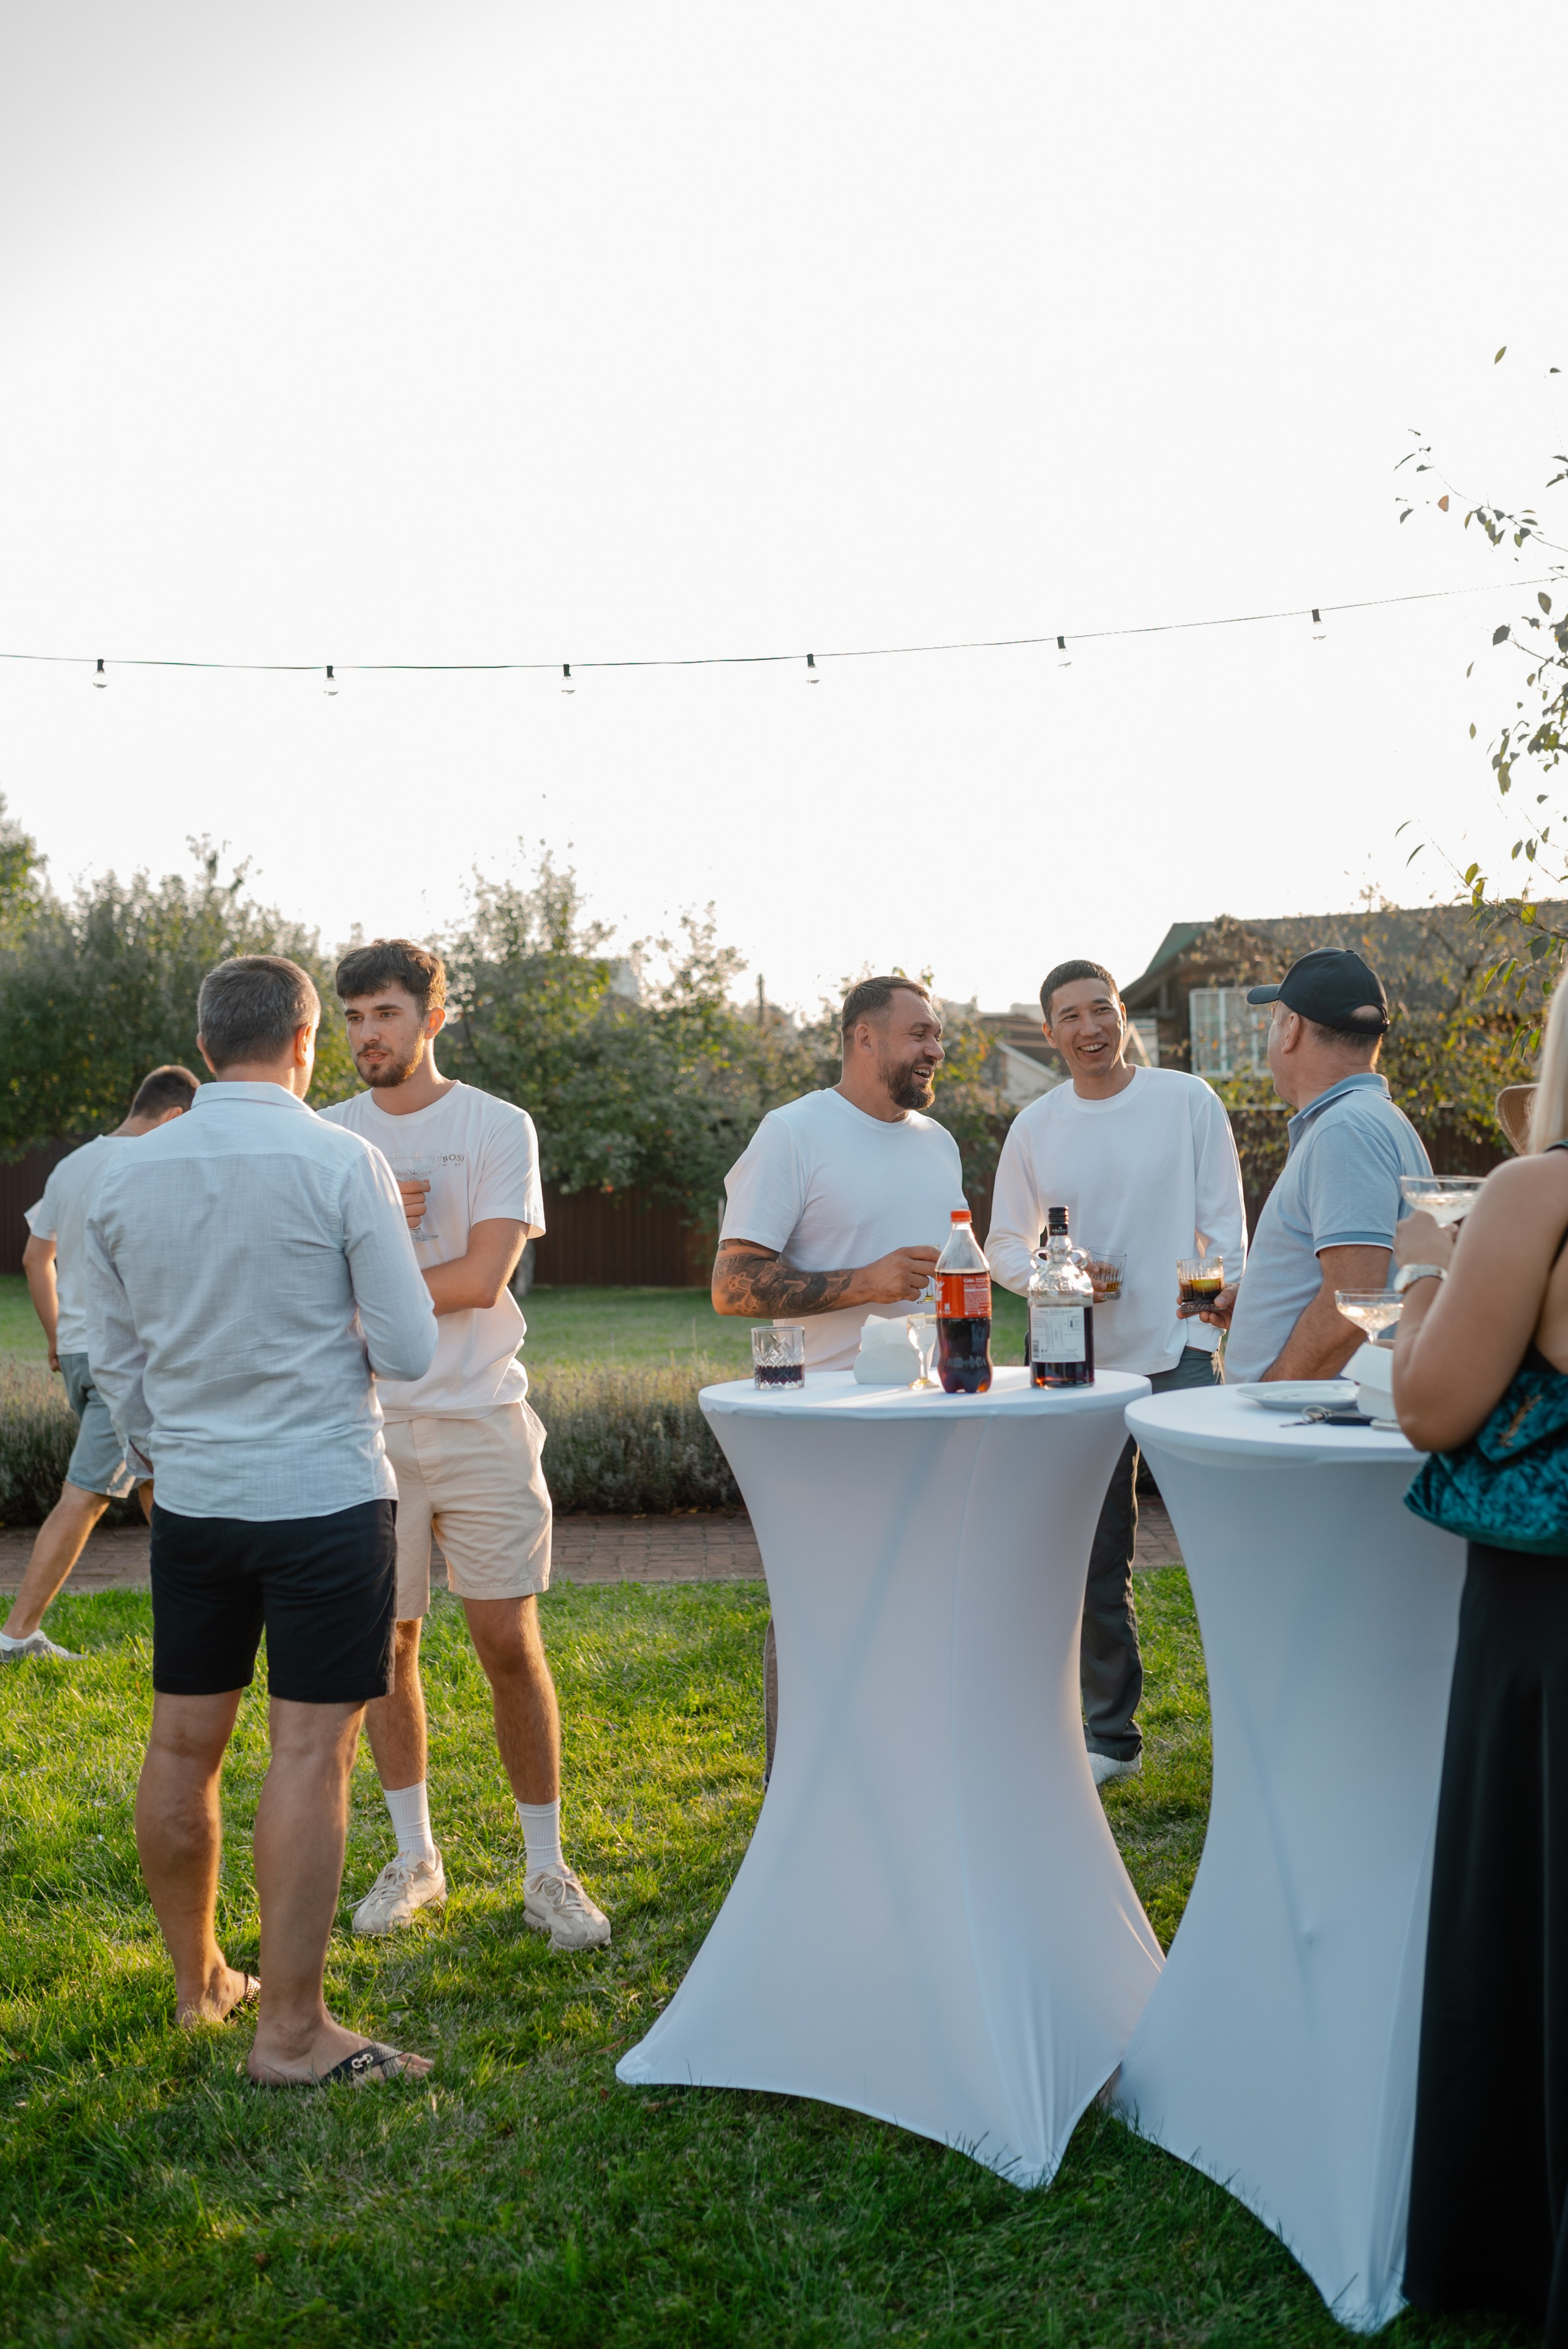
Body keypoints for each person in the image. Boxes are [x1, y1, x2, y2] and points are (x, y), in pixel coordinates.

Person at [88, 956, 437, 2081]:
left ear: (202, 1043)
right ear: (305, 1041)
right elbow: (414, 1348)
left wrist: (158, 1451)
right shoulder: (344, 1159)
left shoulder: (123, 1175)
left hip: (194, 1501)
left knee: (182, 1742)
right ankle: (288, 2031)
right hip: (323, 1496)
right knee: (307, 1751)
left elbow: (112, 1355)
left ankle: (202, 1988)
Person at [320, 939, 609, 1953]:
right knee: (385, 1649)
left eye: (387, 1012)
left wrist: (380, 1256)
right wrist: (375, 1252)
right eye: (353, 1016)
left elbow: (485, 1277)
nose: (368, 1034)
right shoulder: (326, 1136)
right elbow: (306, 1298)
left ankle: (546, 1867)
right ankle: (416, 1857)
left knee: (506, 1646)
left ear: (433, 1017)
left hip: (483, 1415)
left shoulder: (497, 1124)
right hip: (366, 1426)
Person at [1390, 984, 1568, 2341]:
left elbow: (1429, 1404)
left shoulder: (1532, 1192)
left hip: (1547, 1622)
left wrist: (1418, 1272)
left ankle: (1515, 2239)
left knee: (1538, 1914)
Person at [986, 959, 1246, 1785]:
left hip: (1179, 1360)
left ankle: (1249, 1726)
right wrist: (1054, 1278)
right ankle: (1111, 1741)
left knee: (1227, 1547)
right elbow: (1000, 1247)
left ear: (1123, 1014)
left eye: (1101, 1008)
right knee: (1092, 1557)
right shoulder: (1035, 1126)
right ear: (1051, 1031)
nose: (1089, 1026)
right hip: (1074, 1364)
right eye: (1070, 1015)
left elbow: (1226, 1234)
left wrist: (1201, 1321)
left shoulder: (1187, 1102)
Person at [712, 975, 968, 1771]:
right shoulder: (794, 1134)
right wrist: (865, 1280)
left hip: (927, 1411)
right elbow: (732, 1284)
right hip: (824, 1419)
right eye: (920, 1032)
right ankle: (800, 1790)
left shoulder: (939, 1142)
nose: (936, 1049)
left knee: (922, 1609)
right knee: (816, 1612)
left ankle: (897, 1771)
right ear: (865, 1037)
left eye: (937, 1036)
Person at [1, 1065, 199, 1662]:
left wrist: (58, 1336)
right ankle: (14, 1637)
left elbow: (38, 1260)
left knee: (157, 1488)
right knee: (85, 1496)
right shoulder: (152, 1167)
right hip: (126, 1359)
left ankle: (196, 1627)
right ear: (174, 1118)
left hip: (85, 1354)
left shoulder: (72, 1167)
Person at [1196, 948, 1430, 1380]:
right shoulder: (1366, 1118)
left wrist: (1272, 1390)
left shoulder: (1346, 1129)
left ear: (1291, 1030)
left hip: (1305, 1422)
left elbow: (1354, 1302)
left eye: (1273, 1019)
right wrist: (1263, 1309)